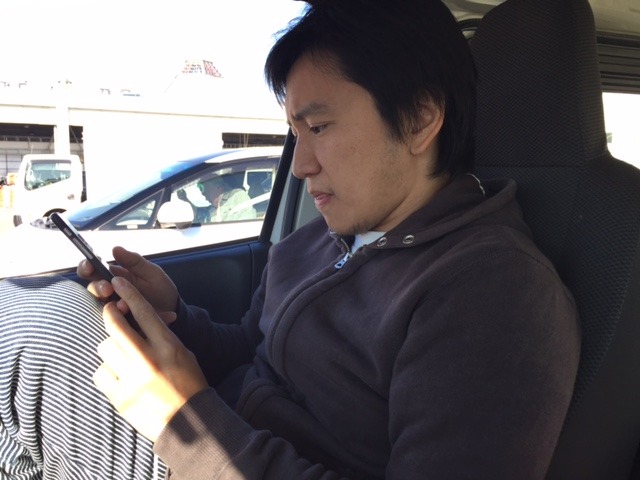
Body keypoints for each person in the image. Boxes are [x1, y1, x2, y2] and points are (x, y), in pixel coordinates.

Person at [0, 0, 580, 478]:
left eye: (319, 127)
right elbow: (251, 350)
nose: (300, 165)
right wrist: (172, 315)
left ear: (422, 117)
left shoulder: (497, 294)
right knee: (60, 308)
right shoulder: (318, 240)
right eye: (294, 132)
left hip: (209, 455)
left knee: (42, 327)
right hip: (214, 433)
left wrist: (186, 421)